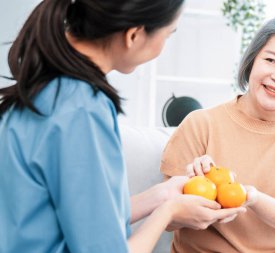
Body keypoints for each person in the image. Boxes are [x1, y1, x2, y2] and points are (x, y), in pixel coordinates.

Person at [0, 1, 247, 253]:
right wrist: (169, 212)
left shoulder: (48, 88)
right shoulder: (82, 109)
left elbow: (83, 219)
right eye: (167, 35)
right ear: (134, 35)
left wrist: (163, 195)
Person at [161, 16, 275, 253]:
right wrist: (196, 190)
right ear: (252, 62)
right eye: (271, 60)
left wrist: (251, 197)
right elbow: (167, 219)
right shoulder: (200, 123)